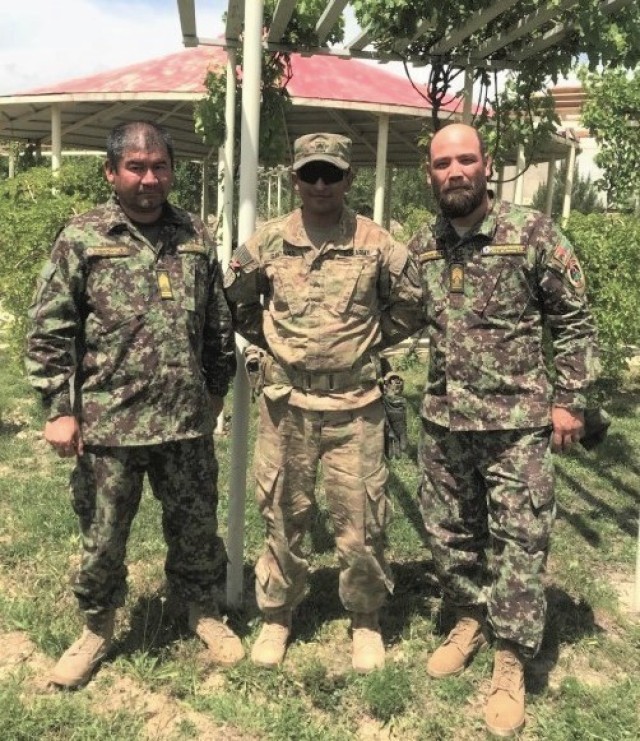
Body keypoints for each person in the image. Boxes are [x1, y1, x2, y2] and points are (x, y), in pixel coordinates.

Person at [26, 120, 244, 689]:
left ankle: (202, 611)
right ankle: (97, 628)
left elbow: (218, 322)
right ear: (111, 172)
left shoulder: (194, 234)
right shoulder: (83, 237)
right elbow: (50, 328)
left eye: (159, 166)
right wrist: (59, 407)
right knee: (102, 537)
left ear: (173, 170)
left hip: (184, 422)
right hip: (108, 422)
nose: (149, 177)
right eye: (136, 166)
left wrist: (215, 389)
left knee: (196, 528)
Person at [407, 123, 600, 736]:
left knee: (520, 541)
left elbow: (573, 317)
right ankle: (469, 617)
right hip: (443, 420)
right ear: (430, 174)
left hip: (516, 423)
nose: (455, 171)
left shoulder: (531, 234)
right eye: (443, 163)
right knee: (448, 531)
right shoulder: (424, 246)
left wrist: (569, 399)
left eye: (466, 159)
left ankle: (510, 655)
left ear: (487, 166)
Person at [223, 133, 423, 673]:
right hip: (286, 405)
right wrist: (274, 348)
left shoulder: (377, 243)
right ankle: (277, 616)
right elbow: (236, 303)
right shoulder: (266, 244)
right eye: (309, 173)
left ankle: (365, 620)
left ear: (347, 179)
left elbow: (411, 305)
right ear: (294, 179)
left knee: (362, 520)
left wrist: (366, 345)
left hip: (356, 407)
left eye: (330, 174)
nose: (319, 184)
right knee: (283, 513)